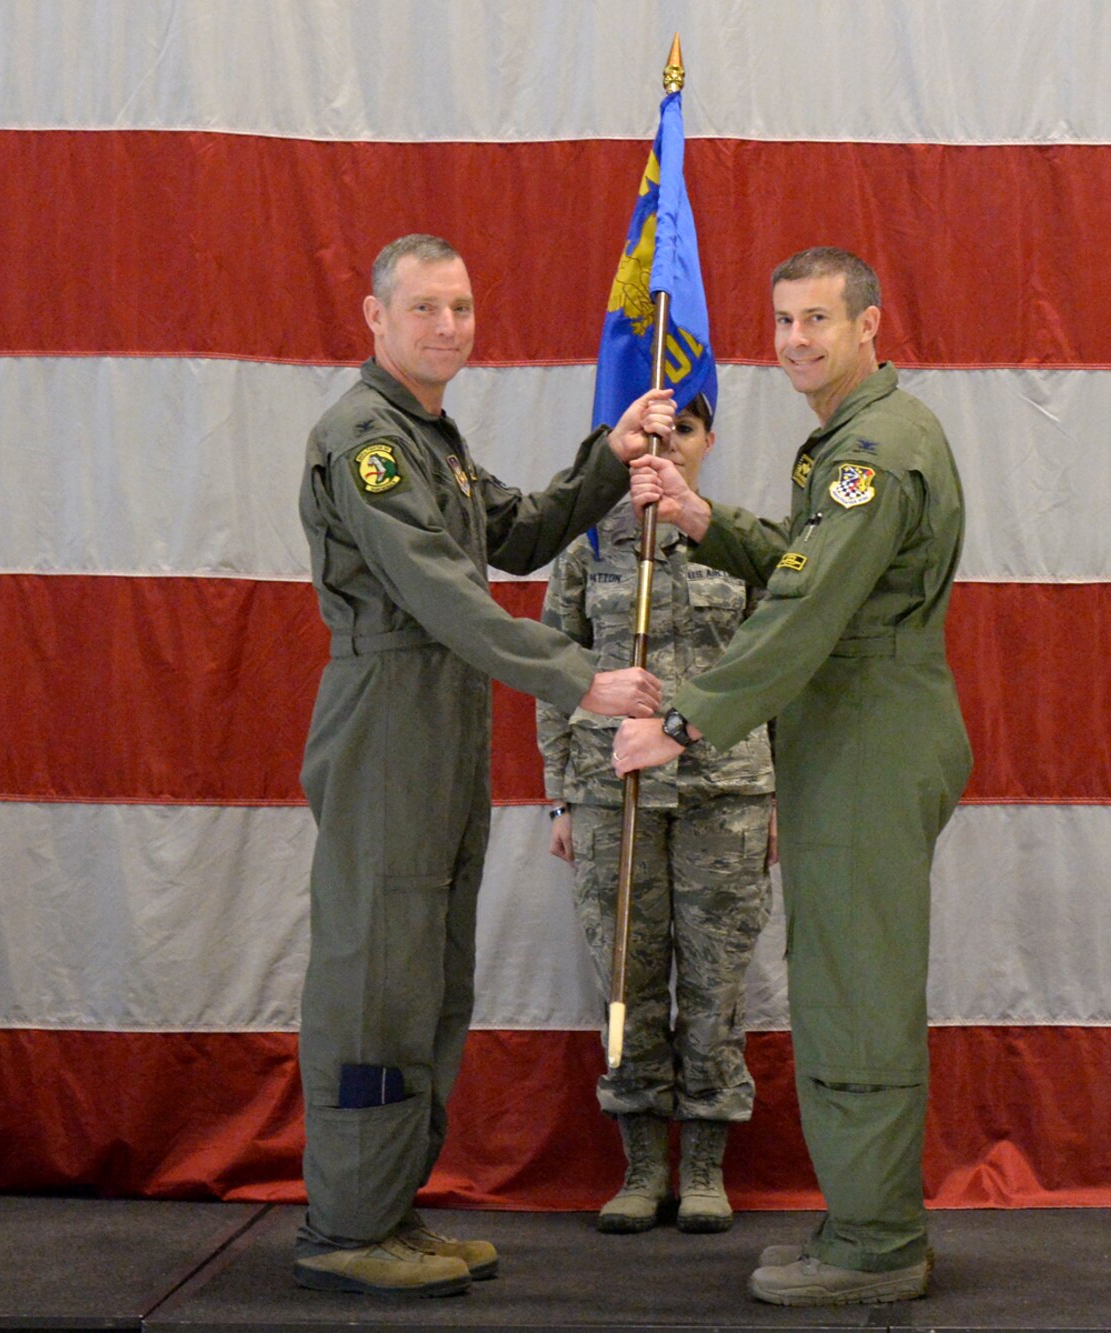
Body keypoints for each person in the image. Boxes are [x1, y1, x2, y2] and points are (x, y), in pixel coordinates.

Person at [294, 233, 670, 1298]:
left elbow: (518, 533)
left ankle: (385, 1206)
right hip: (388, 713)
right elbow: (439, 591)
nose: (448, 326)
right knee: (376, 966)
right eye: (424, 308)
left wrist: (613, 447)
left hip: (441, 707)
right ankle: (343, 1225)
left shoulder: (432, 439)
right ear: (375, 318)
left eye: (460, 306)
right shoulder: (364, 438)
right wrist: (575, 676)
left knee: (427, 967)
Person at [613, 247, 971, 1307]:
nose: (796, 341)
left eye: (818, 319)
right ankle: (864, 1214)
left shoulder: (874, 453)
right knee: (838, 973)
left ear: (869, 324)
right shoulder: (857, 439)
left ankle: (874, 1242)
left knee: (852, 985)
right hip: (852, 729)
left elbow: (805, 613)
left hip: (869, 732)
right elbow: (807, 568)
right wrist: (700, 518)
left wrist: (686, 718)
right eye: (782, 321)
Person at [536, 393, 776, 1236]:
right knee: (626, 982)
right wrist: (561, 794)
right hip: (612, 792)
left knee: (715, 984)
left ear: (709, 441)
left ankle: (704, 1166)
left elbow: (777, 672)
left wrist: (779, 796)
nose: (667, 440)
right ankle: (642, 1165)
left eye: (686, 428)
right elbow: (557, 665)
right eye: (654, 428)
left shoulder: (743, 542)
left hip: (727, 794)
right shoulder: (590, 542)